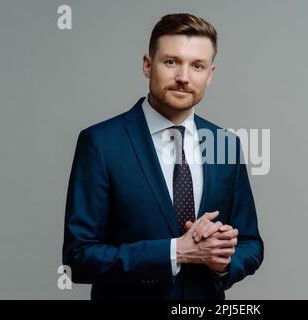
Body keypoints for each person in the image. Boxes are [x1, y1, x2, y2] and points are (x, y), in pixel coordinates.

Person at [62, 13, 263, 300]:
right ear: (147, 65)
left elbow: (251, 243)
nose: (183, 77)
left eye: (197, 66)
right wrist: (175, 252)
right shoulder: (100, 143)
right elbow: (79, 255)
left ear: (210, 74)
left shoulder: (225, 144)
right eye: (171, 62)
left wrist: (223, 263)